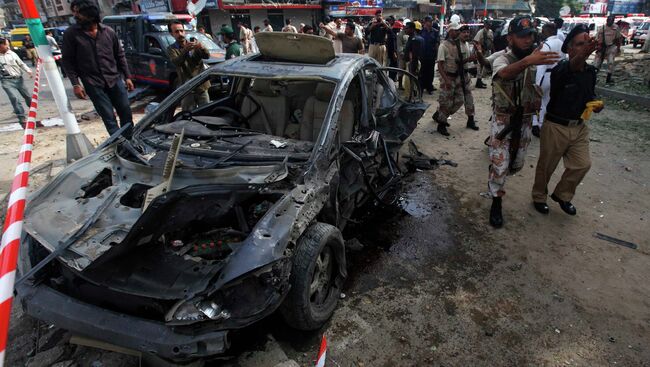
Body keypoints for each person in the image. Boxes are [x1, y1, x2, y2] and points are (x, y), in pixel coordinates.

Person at [486, 15, 560, 228]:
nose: (527, 40)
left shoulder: (536, 58)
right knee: (500, 165)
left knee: (515, 164)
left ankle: (495, 176)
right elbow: (504, 74)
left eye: (530, 36)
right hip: (504, 120)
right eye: (522, 37)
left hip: (526, 120)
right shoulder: (502, 57)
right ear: (510, 38)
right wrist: (528, 61)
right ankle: (496, 201)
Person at [531, 24, 602, 216]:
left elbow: (590, 95)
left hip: (579, 127)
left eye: (587, 43)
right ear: (570, 49)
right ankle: (539, 196)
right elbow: (573, 65)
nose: (585, 46)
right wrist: (583, 54)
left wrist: (595, 105)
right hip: (556, 126)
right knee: (546, 167)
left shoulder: (590, 72)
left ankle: (562, 195)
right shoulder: (561, 69)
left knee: (582, 164)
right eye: (580, 44)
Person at [62, 0, 134, 136]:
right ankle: (121, 145)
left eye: (79, 12)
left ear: (91, 14)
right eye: (74, 12)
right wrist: (76, 84)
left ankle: (131, 142)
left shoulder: (108, 32)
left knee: (126, 113)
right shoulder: (71, 34)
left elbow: (120, 56)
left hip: (115, 79)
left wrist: (128, 77)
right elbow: (68, 61)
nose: (75, 15)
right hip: (93, 83)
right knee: (109, 118)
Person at [431, 23, 481, 136]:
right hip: (448, 77)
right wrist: (446, 80)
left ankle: (440, 116)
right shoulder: (443, 46)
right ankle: (441, 124)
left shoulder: (461, 44)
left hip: (460, 76)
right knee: (446, 102)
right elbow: (440, 65)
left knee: (460, 100)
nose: (459, 32)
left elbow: (460, 62)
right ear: (450, 31)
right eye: (456, 30)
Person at [167, 20, 210, 111]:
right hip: (187, 88)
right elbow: (176, 62)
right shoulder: (171, 49)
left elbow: (207, 56)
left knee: (206, 112)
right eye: (177, 32)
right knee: (188, 114)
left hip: (201, 85)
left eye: (181, 30)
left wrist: (201, 47)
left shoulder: (194, 43)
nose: (180, 34)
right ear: (172, 34)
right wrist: (185, 51)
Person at [532, 23, 565, 138]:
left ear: (548, 31)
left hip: (545, 75)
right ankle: (543, 125)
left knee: (539, 101)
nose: (542, 32)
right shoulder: (562, 43)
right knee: (547, 101)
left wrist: (537, 83)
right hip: (557, 76)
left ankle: (537, 125)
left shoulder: (546, 45)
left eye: (544, 30)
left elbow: (541, 66)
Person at [0, 37, 33, 128]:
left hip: (19, 79)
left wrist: (28, 71)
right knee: (15, 99)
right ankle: (22, 119)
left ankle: (33, 112)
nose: (7, 46)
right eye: (5, 44)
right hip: (6, 81)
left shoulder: (12, 54)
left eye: (7, 44)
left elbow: (21, 63)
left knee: (28, 97)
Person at [593, 15, 622, 84]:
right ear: (607, 20)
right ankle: (593, 78)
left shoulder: (616, 28)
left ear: (613, 21)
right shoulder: (602, 28)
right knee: (597, 63)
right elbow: (597, 38)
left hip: (611, 47)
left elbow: (618, 38)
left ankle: (608, 80)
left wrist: (618, 48)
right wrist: (598, 46)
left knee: (610, 63)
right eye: (609, 20)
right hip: (602, 47)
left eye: (611, 21)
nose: (610, 22)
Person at [420, 16, 440, 94]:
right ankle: (421, 86)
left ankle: (429, 87)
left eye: (431, 21)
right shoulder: (421, 31)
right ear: (425, 22)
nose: (430, 23)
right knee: (422, 71)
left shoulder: (435, 32)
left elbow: (437, 43)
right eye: (429, 21)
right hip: (422, 55)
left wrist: (437, 54)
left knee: (430, 72)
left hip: (431, 55)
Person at [473, 19, 494, 89]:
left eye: (490, 24)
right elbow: (475, 41)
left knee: (484, 66)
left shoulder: (490, 32)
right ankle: (478, 81)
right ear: (485, 24)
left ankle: (480, 80)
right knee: (480, 67)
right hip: (482, 51)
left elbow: (491, 42)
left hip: (487, 50)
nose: (489, 25)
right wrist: (479, 51)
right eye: (488, 24)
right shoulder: (481, 32)